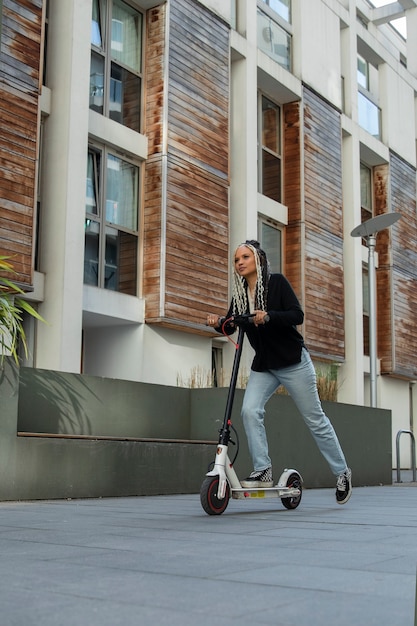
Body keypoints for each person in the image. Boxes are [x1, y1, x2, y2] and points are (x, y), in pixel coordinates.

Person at [206, 240, 352, 505]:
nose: (239, 262)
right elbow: (231, 325)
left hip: (293, 362)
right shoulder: (239, 293)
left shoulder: (278, 283)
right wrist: (219, 323)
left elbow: (297, 315)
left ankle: (342, 472)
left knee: (315, 419)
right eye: (237, 259)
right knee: (249, 411)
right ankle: (263, 470)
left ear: (258, 260)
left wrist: (269, 316)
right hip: (264, 366)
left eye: (245, 257)